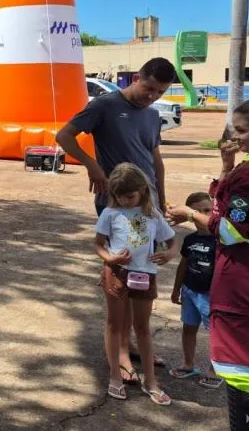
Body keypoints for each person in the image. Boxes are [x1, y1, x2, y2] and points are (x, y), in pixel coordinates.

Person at [56, 57, 177, 378]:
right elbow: (63, 136)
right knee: (121, 274)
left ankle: (131, 342)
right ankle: (121, 350)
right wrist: (92, 166)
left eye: (160, 92)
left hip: (147, 206)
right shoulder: (105, 106)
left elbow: (156, 160)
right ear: (136, 78)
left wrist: (161, 200)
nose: (152, 96)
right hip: (117, 204)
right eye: (149, 88)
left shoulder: (152, 116)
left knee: (143, 274)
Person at [167, 97, 249, 430]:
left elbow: (229, 230)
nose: (235, 137)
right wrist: (227, 167)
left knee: (241, 368)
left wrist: (190, 214)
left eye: (242, 130)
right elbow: (227, 205)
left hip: (244, 280)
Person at [95, 162, 178, 406]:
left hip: (145, 275)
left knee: (142, 327)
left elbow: (172, 242)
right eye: (119, 196)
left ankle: (151, 381)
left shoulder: (153, 214)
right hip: (117, 273)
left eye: (129, 196)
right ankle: (115, 376)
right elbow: (98, 244)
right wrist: (110, 258)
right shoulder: (110, 213)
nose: (125, 201)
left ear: (142, 190)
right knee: (114, 323)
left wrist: (169, 255)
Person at [168, 192, 223, 389]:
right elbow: (183, 264)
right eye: (197, 211)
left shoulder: (221, 240)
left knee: (216, 334)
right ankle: (188, 364)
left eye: (207, 210)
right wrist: (176, 289)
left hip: (211, 296)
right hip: (190, 291)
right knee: (189, 327)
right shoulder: (190, 239)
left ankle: (215, 370)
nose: (203, 215)